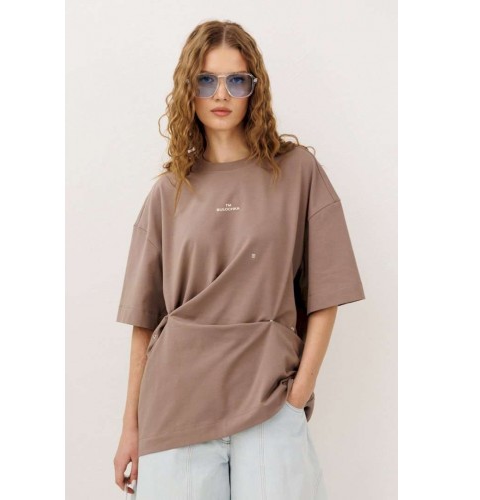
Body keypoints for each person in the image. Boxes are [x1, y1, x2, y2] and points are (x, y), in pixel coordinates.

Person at [113, 20, 365, 500]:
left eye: (236, 80)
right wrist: (131, 427)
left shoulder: (297, 172)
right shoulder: (168, 192)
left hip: (270, 402)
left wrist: (298, 393)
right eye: (207, 80)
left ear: (255, 88)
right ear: (188, 90)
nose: (221, 93)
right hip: (176, 404)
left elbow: (327, 292)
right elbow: (144, 321)